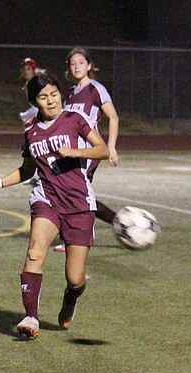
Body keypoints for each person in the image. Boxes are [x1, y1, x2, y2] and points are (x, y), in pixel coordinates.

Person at [0, 74, 109, 340]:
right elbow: (25, 171)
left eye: (54, 94)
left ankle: (70, 298)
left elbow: (102, 150)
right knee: (35, 251)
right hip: (47, 198)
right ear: (35, 102)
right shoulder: (31, 133)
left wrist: (76, 152)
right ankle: (31, 318)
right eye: (43, 97)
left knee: (76, 279)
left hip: (79, 204)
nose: (51, 101)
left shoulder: (75, 120)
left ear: (61, 94)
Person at [54, 47, 120, 252]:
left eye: (81, 63)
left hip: (90, 151)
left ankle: (76, 236)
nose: (76, 67)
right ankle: (118, 221)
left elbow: (114, 117)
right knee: (75, 192)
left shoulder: (96, 89)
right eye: (73, 63)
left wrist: (111, 147)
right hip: (75, 152)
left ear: (89, 65)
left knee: (74, 191)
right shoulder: (72, 94)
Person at [18, 57, 46, 126]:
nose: (26, 71)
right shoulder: (29, 84)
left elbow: (39, 107)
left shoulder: (37, 83)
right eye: (24, 69)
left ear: (33, 70)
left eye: (28, 69)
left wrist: (24, 115)